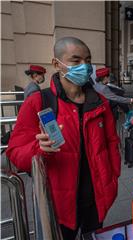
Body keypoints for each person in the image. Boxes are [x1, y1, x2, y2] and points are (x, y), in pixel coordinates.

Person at [6, 37, 121, 239]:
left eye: (88, 60)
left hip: (97, 198)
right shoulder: (38, 102)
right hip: (59, 204)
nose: (84, 66)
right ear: (56, 64)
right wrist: (38, 148)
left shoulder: (100, 102)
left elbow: (112, 141)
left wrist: (113, 177)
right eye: (76, 61)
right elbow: (15, 152)